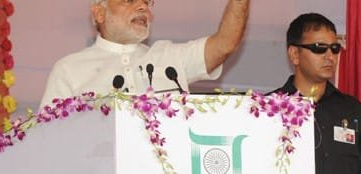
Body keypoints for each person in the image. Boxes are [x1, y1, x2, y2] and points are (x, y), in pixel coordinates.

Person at [271, 13, 361, 174]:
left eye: (335, 48)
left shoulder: (354, 111)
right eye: (319, 48)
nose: (330, 56)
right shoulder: (268, 111)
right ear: (294, 54)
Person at [39, 0, 249, 108]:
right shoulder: (69, 69)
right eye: (129, 0)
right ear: (99, 13)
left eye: (147, 2)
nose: (143, 7)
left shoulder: (168, 57)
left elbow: (225, 43)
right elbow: (49, 138)